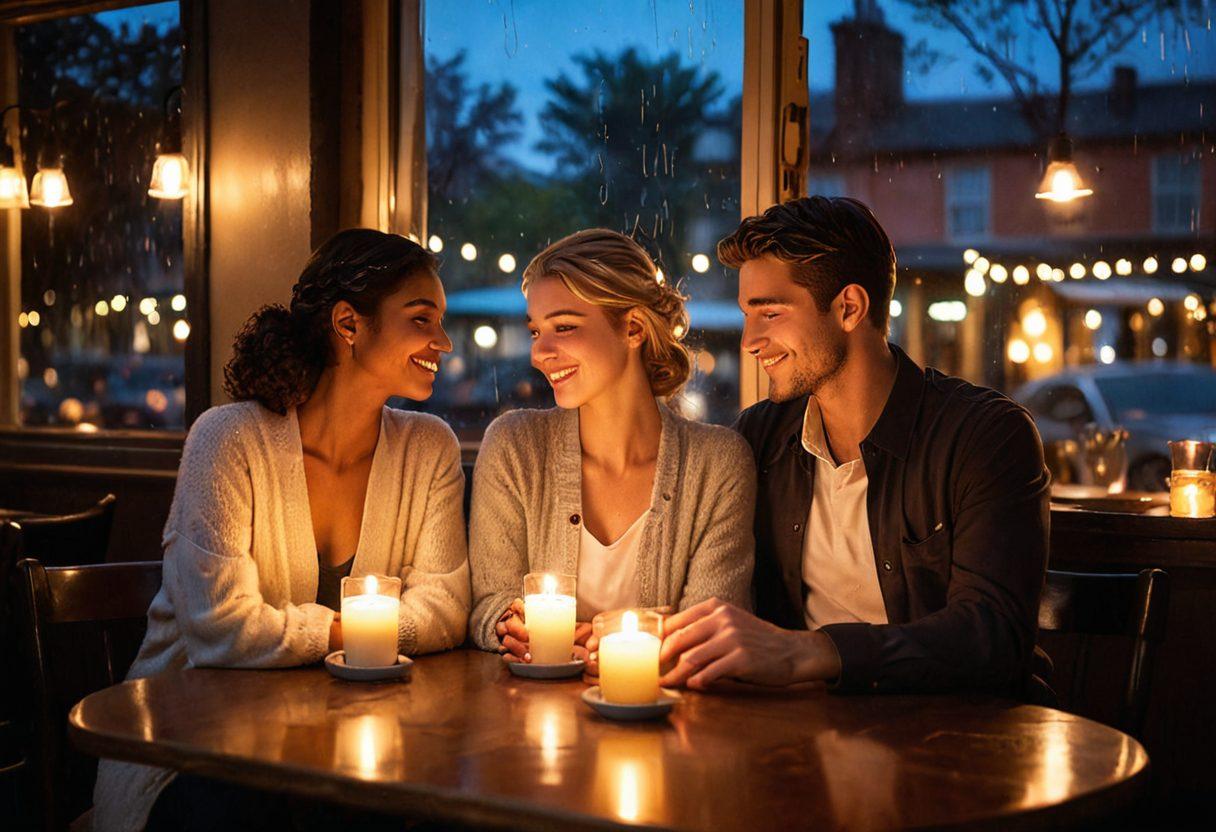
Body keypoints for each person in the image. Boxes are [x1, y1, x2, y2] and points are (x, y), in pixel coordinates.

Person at [93, 229, 471, 832]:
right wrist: (356, 632)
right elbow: (222, 629)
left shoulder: (428, 449)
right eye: (422, 319)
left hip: (355, 753)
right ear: (349, 324)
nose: (443, 342)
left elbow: (448, 609)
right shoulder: (229, 441)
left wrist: (321, 633)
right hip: (191, 753)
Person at [659, 196, 1050, 696]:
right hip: (809, 738)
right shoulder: (759, 438)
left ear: (849, 308)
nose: (750, 341)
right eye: (747, 315)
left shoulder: (985, 436)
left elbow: (993, 636)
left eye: (771, 314)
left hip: (965, 738)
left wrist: (812, 651)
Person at [468, 229, 755, 664]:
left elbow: (707, 631)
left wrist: (598, 635)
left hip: (673, 721)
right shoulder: (515, 447)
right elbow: (490, 603)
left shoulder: (718, 464)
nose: (540, 353)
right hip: (532, 720)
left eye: (563, 327)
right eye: (534, 331)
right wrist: (509, 624)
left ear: (634, 327)